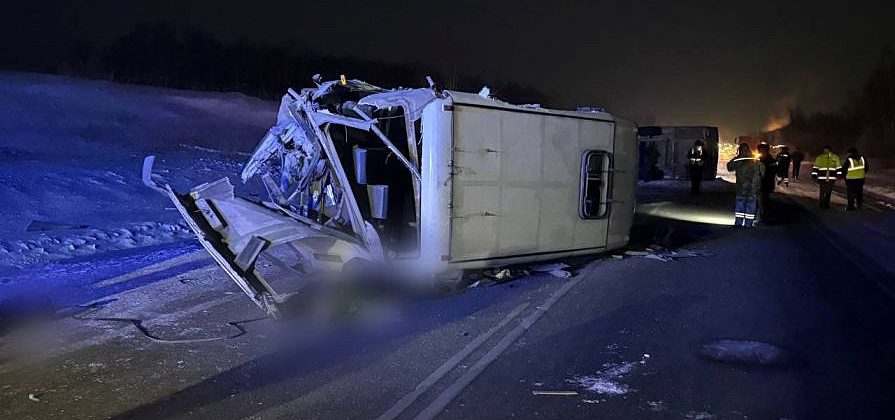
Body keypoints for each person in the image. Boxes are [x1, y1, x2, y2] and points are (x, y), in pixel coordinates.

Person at [727, 143, 763, 227]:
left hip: (741, 189)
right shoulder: (756, 160)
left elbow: (729, 167)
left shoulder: (738, 160)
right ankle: (748, 225)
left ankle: (738, 224)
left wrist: (737, 157)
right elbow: (762, 172)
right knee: (751, 207)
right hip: (752, 189)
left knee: (740, 207)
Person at [756, 143, 777, 223]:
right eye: (760, 150)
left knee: (764, 202)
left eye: (763, 149)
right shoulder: (758, 159)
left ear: (766, 150)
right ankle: (760, 217)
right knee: (759, 201)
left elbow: (774, 171)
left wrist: (763, 173)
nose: (761, 151)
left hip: (766, 184)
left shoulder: (770, 160)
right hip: (758, 184)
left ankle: (763, 218)